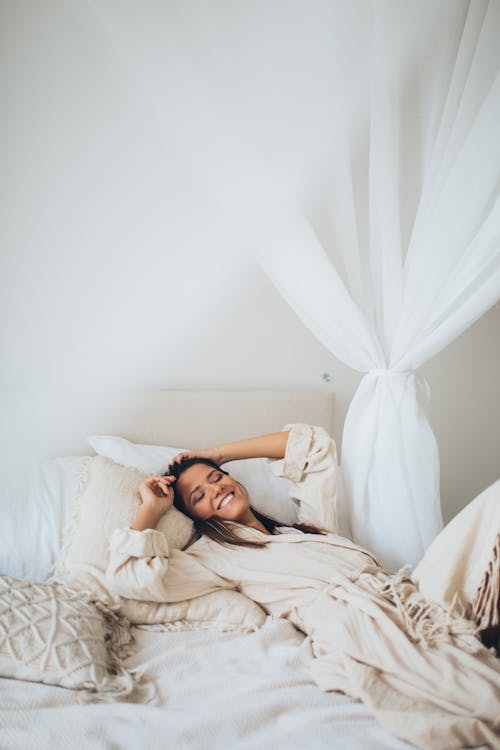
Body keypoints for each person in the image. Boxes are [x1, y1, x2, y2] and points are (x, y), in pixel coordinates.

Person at [106, 424, 500, 749]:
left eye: (217, 479)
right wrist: (151, 509)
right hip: (361, 624)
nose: (216, 490)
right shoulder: (211, 557)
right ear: (193, 515)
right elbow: (131, 579)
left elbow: (313, 446)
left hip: (411, 595)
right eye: (199, 495)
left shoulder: (307, 525)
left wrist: (219, 452)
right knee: (476, 690)